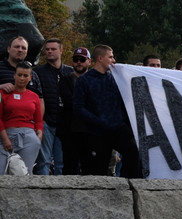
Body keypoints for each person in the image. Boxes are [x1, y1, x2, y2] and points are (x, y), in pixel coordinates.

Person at [73, 45, 142, 178]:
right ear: (100, 58)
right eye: (110, 57)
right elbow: (78, 108)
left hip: (118, 128)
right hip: (96, 132)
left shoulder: (115, 79)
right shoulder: (84, 80)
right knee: (99, 170)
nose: (113, 60)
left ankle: (127, 185)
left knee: (134, 152)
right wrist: (98, 121)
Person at [33, 38, 73, 175]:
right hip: (46, 121)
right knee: (43, 160)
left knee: (61, 161)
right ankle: (41, 192)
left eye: (53, 49)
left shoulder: (70, 72)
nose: (49, 51)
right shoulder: (38, 72)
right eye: (47, 49)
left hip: (65, 123)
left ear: (61, 51)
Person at [0, 61, 43, 174]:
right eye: (19, 75)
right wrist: (5, 139)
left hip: (29, 137)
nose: (22, 78)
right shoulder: (2, 93)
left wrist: (39, 134)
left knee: (24, 173)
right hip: (6, 133)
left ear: (30, 77)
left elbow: (38, 120)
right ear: (14, 75)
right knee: (2, 172)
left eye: (25, 75)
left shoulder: (34, 96)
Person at [57, 47, 91, 175]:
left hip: (89, 130)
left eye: (82, 59)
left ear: (89, 61)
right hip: (69, 130)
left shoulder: (94, 79)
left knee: (89, 166)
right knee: (70, 166)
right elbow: (68, 101)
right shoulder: (65, 79)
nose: (78, 62)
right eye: (76, 59)